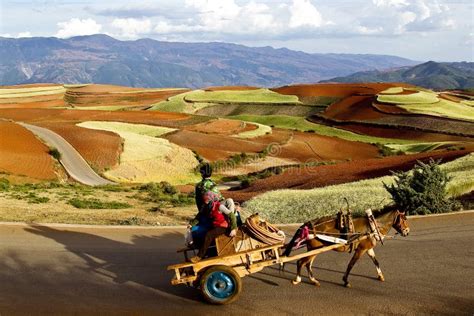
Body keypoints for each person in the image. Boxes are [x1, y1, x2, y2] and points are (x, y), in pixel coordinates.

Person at [189, 191, 238, 263]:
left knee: (209, 234)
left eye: (207, 201)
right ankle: (208, 253)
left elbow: (232, 215)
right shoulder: (206, 207)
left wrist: (233, 228)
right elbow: (199, 215)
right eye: (205, 201)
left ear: (211, 200)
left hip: (223, 226)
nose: (205, 202)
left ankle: (199, 256)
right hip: (215, 226)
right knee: (202, 233)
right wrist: (191, 224)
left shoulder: (220, 206)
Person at [189, 163, 222, 245]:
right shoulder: (214, 185)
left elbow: (198, 201)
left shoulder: (199, 186)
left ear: (202, 174)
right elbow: (220, 198)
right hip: (217, 211)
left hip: (205, 212)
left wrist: (201, 211)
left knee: (198, 227)